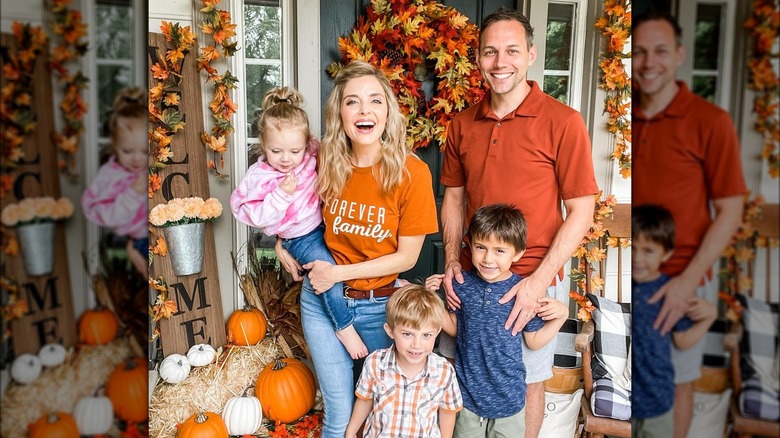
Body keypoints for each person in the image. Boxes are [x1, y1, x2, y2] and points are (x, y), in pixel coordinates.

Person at [440, 8, 598, 435]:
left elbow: (582, 209)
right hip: (474, 276)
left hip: (534, 275)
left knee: (528, 379)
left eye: (511, 50)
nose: (500, 62)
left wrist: (538, 280)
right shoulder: (461, 123)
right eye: (490, 52)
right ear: (478, 59)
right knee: (461, 373)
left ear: (530, 54)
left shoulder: (564, 122)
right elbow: (453, 199)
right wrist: (453, 261)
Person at [274, 60, 439, 437]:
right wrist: (281, 241)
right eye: (352, 102)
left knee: (385, 411)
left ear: (387, 112)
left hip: (382, 308)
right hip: (322, 305)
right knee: (339, 413)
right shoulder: (321, 163)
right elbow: (283, 206)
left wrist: (338, 272)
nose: (364, 110)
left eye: (375, 101)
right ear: (340, 114)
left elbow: (407, 257)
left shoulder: (411, 173)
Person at [632, 11, 746, 437]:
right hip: (636, 273)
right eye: (639, 51)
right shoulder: (631, 112)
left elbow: (730, 210)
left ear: (679, 54)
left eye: (660, 50)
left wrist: (685, 283)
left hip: (682, 275)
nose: (649, 62)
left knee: (677, 383)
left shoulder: (710, 121)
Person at [230, 86, 368, 359]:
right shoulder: (261, 177)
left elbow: (335, 146)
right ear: (263, 145)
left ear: (306, 145)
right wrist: (281, 196)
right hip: (301, 237)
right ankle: (344, 327)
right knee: (326, 272)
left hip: (324, 225)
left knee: (348, 261)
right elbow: (256, 216)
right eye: (276, 151)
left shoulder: (308, 157)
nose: (286, 159)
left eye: (294, 151)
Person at [427, 204, 568, 437]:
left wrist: (561, 316)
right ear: (470, 245)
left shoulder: (522, 293)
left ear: (518, 253)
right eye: (481, 247)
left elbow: (533, 341)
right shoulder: (462, 285)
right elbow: (453, 328)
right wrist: (431, 299)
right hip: (467, 398)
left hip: (509, 400)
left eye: (500, 251)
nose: (488, 258)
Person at [631, 204, 718, 437]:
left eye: (648, 250)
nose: (637, 258)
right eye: (633, 248)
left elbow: (682, 340)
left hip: (658, 400)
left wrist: (709, 318)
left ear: (666, 253)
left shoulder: (672, 292)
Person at [346, 284, 463, 438]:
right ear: (390, 331)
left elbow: (447, 412)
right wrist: (351, 432)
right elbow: (365, 401)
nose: (417, 344)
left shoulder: (444, 371)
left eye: (426, 335)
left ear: (437, 332)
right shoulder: (375, 363)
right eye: (407, 334)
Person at [82, 87, 148, 278]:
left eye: (145, 151)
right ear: (114, 146)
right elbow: (108, 216)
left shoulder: (156, 164)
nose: (137, 159)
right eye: (127, 151)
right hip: (141, 242)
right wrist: (132, 194)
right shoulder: (110, 177)